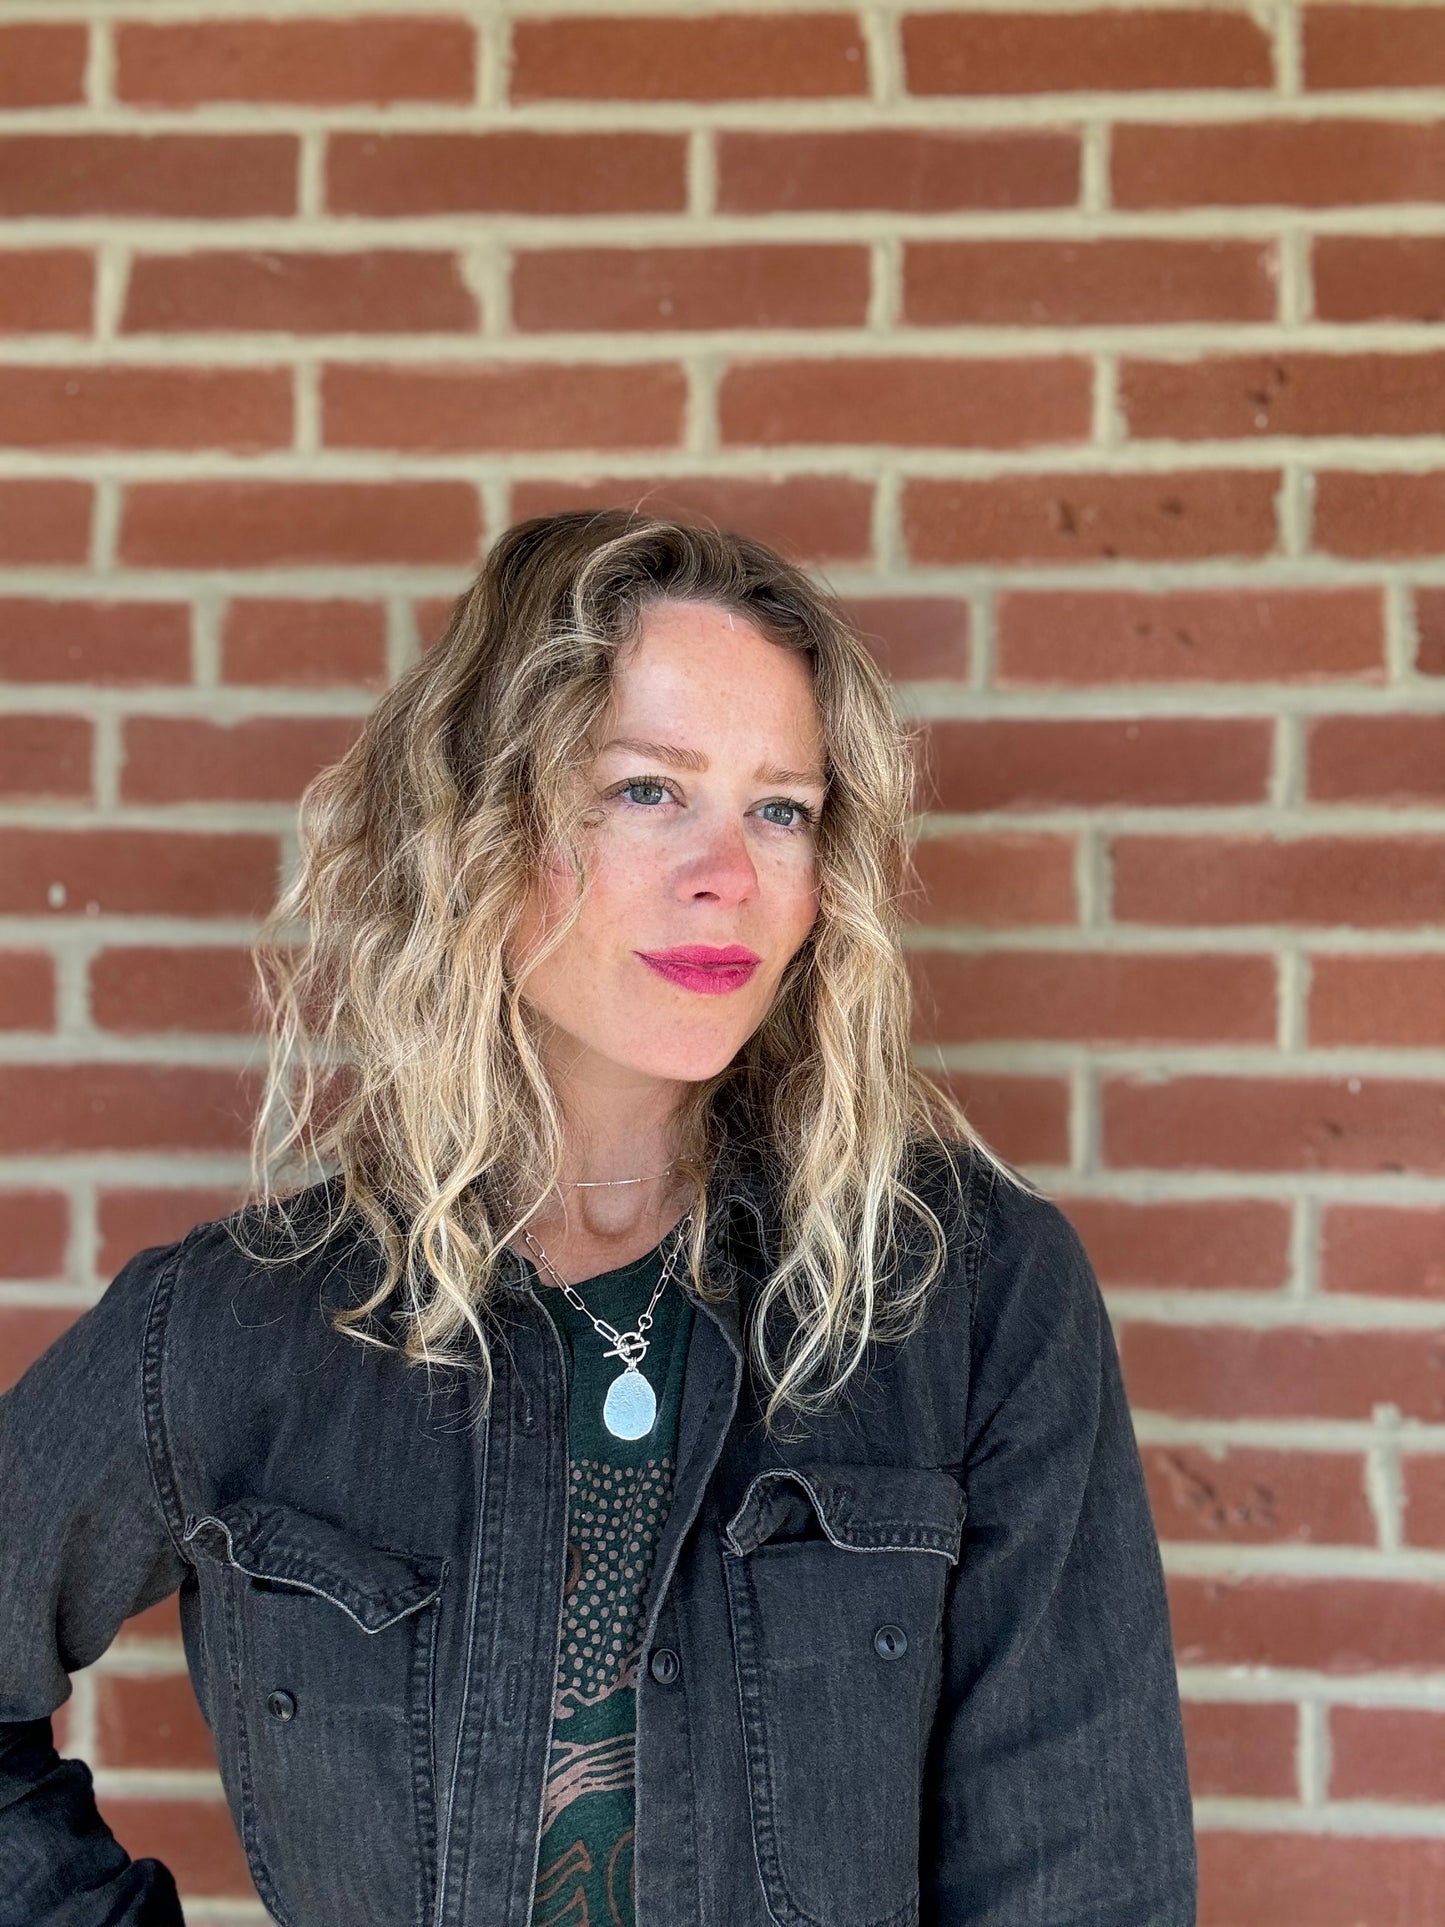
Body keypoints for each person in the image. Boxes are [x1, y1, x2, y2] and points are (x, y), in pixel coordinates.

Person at [0, 509, 1198, 1926]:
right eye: (647, 790)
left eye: (780, 809)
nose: (727, 873)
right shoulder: (240, 1323)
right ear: (480, 829)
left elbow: (1082, 1876)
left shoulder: (964, 1293)